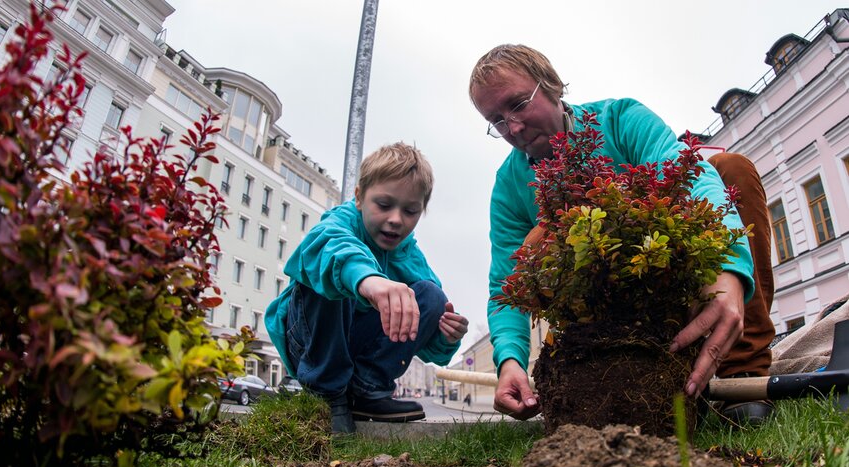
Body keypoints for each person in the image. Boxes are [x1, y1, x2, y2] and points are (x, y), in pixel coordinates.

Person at [468, 44, 775, 424]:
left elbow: (694, 178)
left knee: (731, 168)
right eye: (496, 121)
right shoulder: (510, 187)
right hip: (603, 325)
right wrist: (510, 362)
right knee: (539, 238)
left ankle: (743, 374)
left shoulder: (620, 120)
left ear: (551, 86)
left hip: (675, 285)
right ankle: (616, 375)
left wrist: (727, 270)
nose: (512, 128)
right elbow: (506, 286)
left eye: (517, 105)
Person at [264, 142, 469, 433]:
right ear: (359, 197)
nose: (396, 219)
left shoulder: (411, 258)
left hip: (359, 349)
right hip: (311, 342)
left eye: (410, 211)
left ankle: (367, 388)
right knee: (335, 274)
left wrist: (447, 337)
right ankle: (328, 392)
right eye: (384, 205)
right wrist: (367, 280)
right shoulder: (342, 222)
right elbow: (327, 245)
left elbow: (429, 347)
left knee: (431, 296)